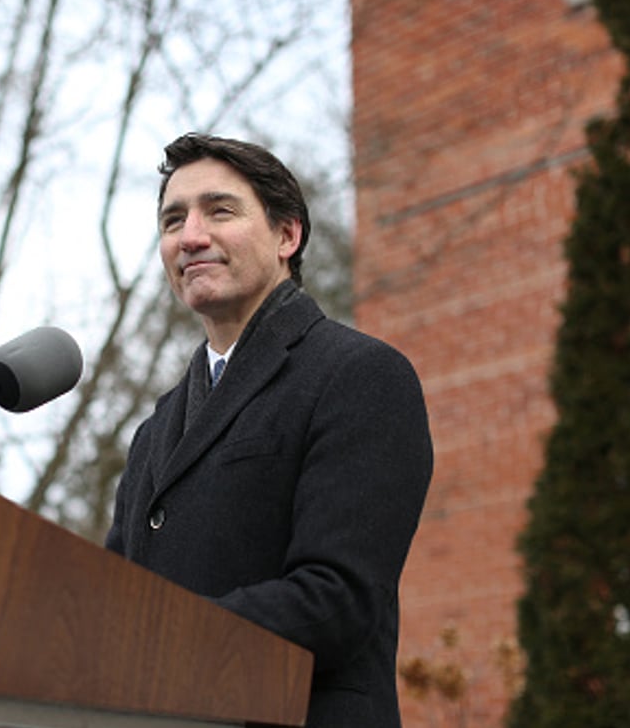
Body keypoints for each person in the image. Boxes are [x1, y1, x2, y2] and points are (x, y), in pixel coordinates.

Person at [105, 133, 433, 727]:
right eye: (172, 220)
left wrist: (156, 640)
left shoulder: (359, 376)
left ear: (288, 236)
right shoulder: (153, 430)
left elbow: (336, 601)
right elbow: (111, 603)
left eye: (220, 210)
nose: (191, 236)